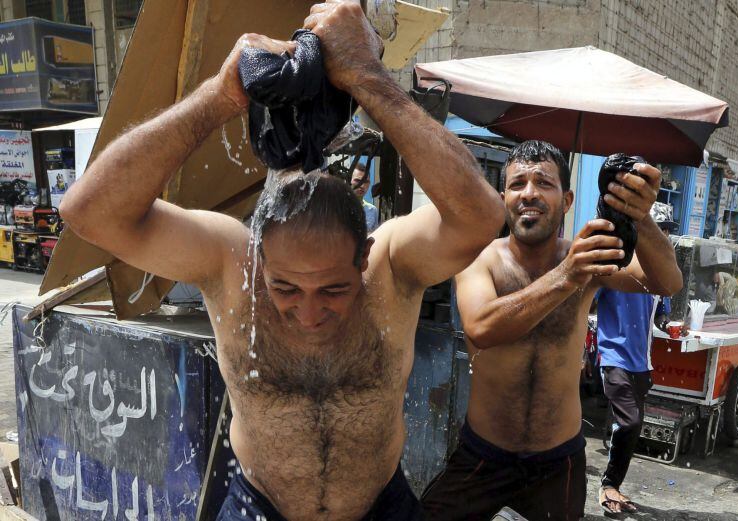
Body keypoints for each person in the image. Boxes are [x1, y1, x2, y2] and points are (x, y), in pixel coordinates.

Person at [59, 2, 505, 520]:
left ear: (364, 256)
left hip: (380, 507)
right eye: (285, 288)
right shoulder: (231, 262)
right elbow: (90, 212)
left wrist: (368, 76)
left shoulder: (392, 266)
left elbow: (479, 215)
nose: (309, 313)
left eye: (334, 290)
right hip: (259, 507)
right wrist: (219, 96)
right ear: (258, 257)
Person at [420, 140, 683, 521]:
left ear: (567, 199)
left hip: (558, 461)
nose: (528, 193)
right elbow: (481, 327)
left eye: (543, 183)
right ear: (503, 198)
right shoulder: (482, 259)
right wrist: (567, 276)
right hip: (484, 453)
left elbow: (666, 282)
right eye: (517, 184)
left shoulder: (588, 260)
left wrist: (638, 216)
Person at [594, 202, 677, 515]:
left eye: (667, 232)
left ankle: (614, 485)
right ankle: (607, 484)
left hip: (642, 362)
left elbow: (661, 316)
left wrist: (671, 327)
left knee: (629, 429)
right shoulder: (617, 265)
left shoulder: (658, 275)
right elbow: (587, 301)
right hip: (614, 356)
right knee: (631, 422)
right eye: (661, 230)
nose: (665, 237)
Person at [351, 161, 379, 232]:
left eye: (366, 182)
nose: (362, 186)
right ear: (348, 180)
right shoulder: (338, 208)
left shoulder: (372, 210)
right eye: (357, 180)